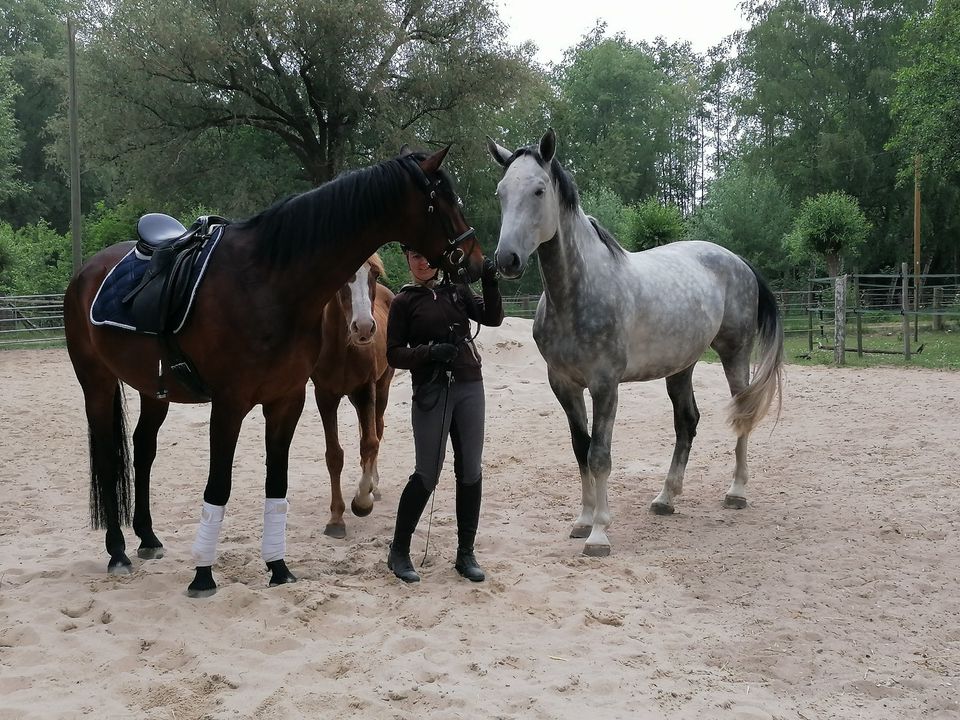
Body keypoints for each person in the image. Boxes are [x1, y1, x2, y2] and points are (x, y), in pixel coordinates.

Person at [385, 246, 503, 583]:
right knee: (427, 472)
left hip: (469, 384)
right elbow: (393, 354)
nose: (423, 261)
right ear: (407, 260)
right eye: (415, 256)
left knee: (470, 471)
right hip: (432, 390)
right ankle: (399, 550)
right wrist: (430, 352)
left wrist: (492, 283)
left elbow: (492, 318)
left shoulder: (457, 289)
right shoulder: (403, 302)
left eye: (427, 256)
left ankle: (465, 553)